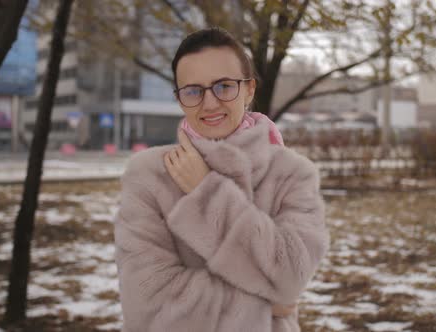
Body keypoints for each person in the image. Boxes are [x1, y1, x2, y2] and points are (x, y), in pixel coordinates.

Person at [114, 27, 330, 332]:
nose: (210, 103)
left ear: (249, 90)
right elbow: (148, 306)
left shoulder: (292, 175)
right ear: (179, 99)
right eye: (193, 90)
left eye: (224, 86)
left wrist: (208, 194)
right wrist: (264, 305)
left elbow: (290, 278)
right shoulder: (149, 176)